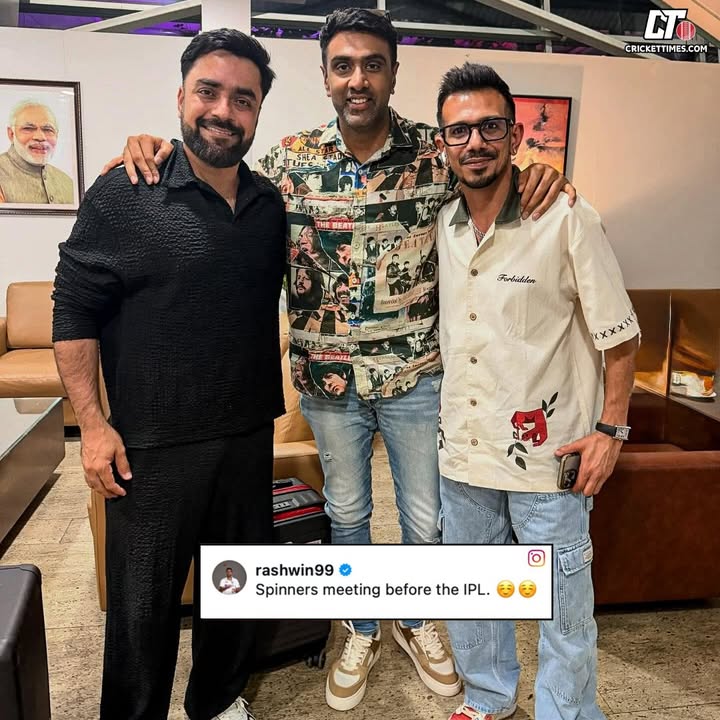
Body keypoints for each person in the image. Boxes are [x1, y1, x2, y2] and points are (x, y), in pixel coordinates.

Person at [101, 8, 575, 712]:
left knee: (425, 519)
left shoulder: (433, 154)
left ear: (392, 74)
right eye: (343, 66)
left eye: (373, 65)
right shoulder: (288, 163)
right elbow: (213, 169)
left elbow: (492, 172)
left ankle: (415, 619)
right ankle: (361, 623)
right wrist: (155, 150)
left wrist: (542, 172)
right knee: (347, 513)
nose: (358, 79)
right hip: (328, 384)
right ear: (325, 77)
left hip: (416, 378)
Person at [52, 29, 287, 720]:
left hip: (247, 434)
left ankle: (216, 701)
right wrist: (92, 426)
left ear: (257, 111)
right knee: (142, 612)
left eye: (242, 99)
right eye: (208, 92)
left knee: (235, 591)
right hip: (150, 447)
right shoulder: (125, 192)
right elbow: (72, 311)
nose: (223, 111)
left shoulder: (270, 205)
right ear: (181, 97)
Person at [433, 63, 639, 720]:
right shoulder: (443, 225)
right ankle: (488, 698)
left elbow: (620, 336)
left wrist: (611, 432)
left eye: (490, 127)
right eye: (459, 131)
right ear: (443, 143)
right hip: (464, 453)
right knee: (474, 594)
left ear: (516, 135)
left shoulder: (566, 218)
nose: (475, 142)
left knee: (562, 607)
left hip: (549, 462)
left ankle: (567, 713)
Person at [0, 100, 74, 204]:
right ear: (11, 134)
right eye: (28, 128)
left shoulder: (67, 183)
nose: (40, 137)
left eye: (48, 130)